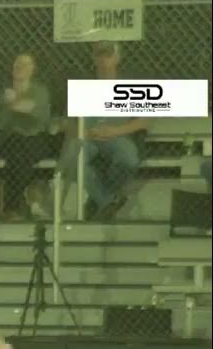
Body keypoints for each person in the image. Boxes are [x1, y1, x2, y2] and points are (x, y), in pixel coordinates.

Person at [58, 41, 149, 221]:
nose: (103, 59)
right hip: (89, 138)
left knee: (128, 159)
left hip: (117, 137)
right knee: (74, 160)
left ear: (117, 58)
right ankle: (107, 202)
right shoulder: (83, 87)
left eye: (108, 55)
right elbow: (67, 123)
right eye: (99, 55)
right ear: (94, 58)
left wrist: (115, 131)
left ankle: (100, 198)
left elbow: (144, 122)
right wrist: (83, 132)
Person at [0, 53, 54, 220]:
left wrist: (13, 102)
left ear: (32, 69)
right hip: (5, 140)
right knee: (16, 151)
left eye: (25, 64)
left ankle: (12, 208)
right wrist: (18, 105)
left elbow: (32, 110)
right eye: (17, 64)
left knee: (19, 152)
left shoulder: (39, 90)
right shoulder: (1, 91)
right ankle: (17, 206)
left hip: (34, 139)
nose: (20, 67)